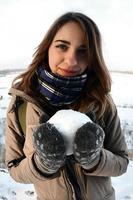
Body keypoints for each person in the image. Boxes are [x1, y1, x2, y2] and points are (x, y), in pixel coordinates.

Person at [5, 12, 129, 200]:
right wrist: (42, 164)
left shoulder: (101, 102)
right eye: (62, 46)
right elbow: (14, 168)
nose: (71, 60)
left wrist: (94, 158)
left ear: (92, 56)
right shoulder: (22, 106)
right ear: (47, 48)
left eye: (83, 51)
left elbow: (121, 162)